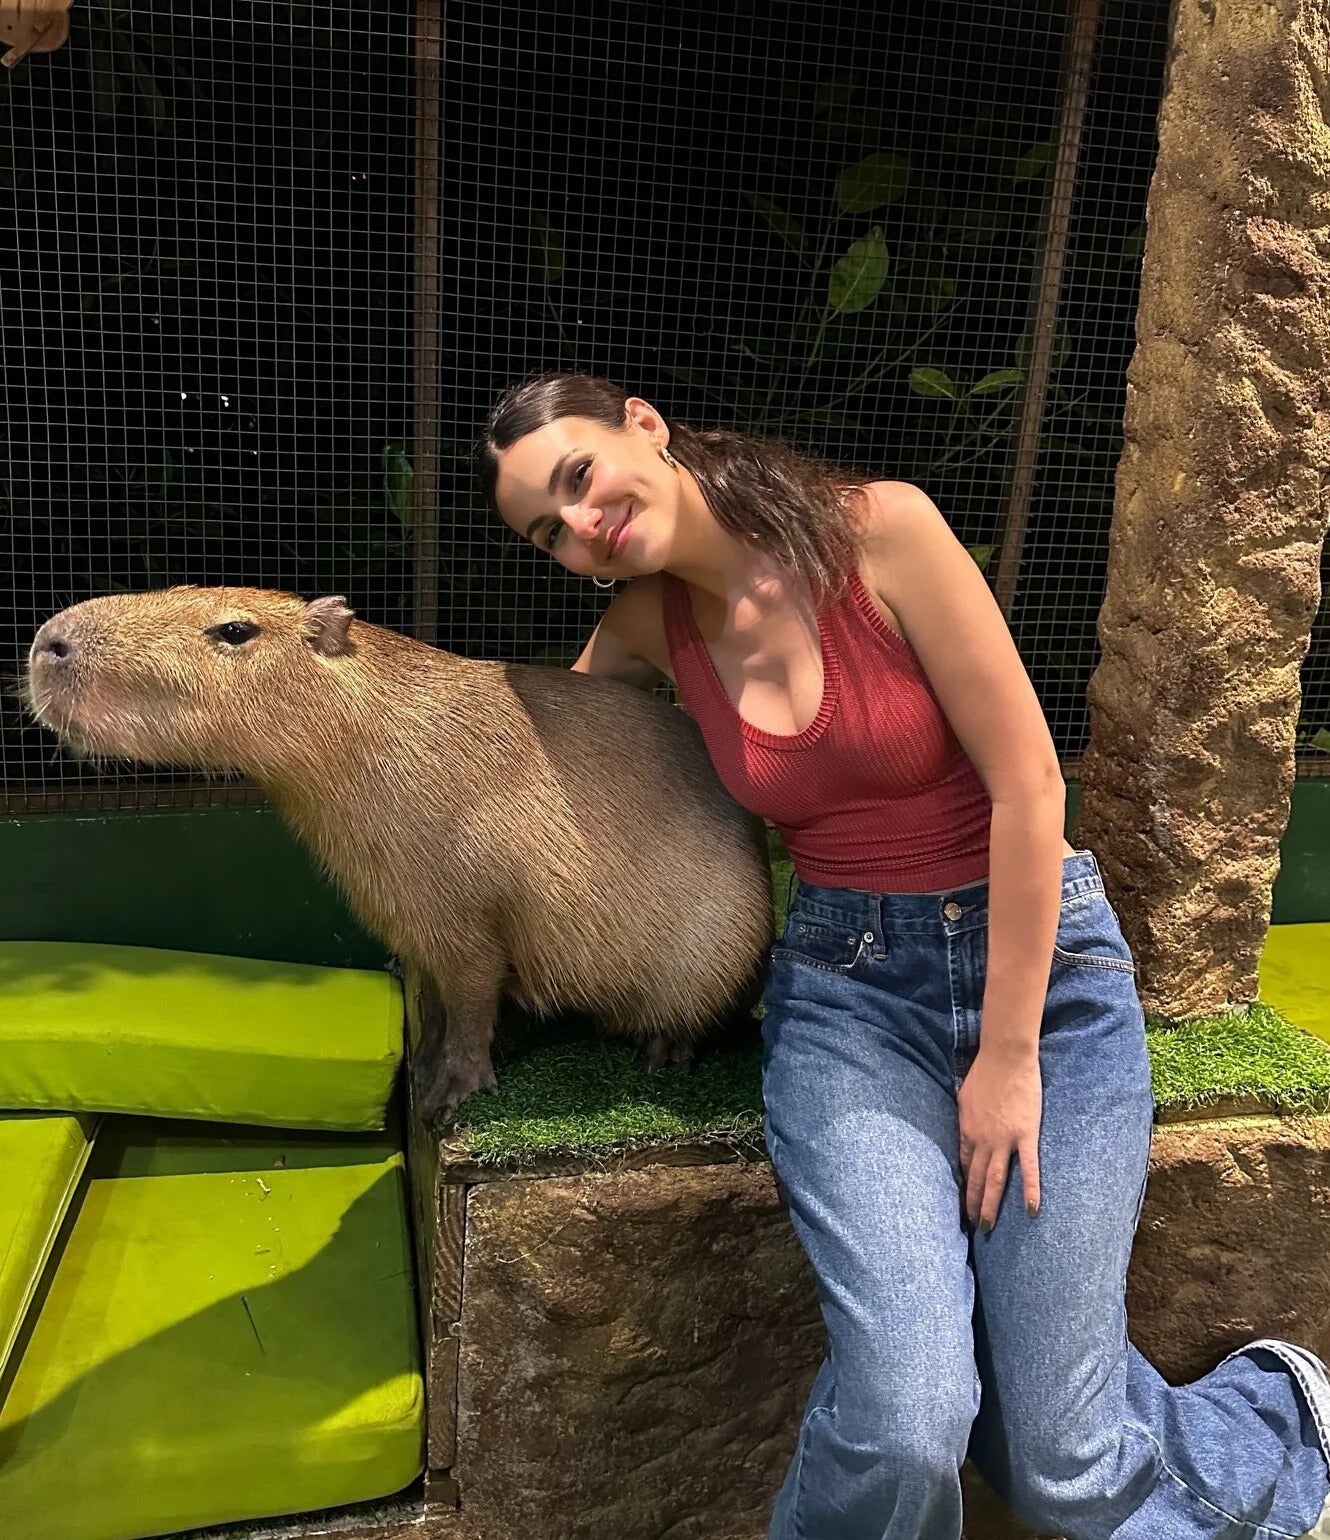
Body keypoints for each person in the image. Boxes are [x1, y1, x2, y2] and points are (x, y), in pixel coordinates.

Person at [477, 370, 1330, 1540]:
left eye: (578, 478)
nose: (581, 525)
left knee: (1061, 1463)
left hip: (1047, 985)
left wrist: (1008, 1056)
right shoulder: (639, 631)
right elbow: (543, 773)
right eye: (548, 531)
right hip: (848, 1002)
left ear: (644, 424)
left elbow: (1029, 784)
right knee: (911, 1418)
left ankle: (1275, 1410)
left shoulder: (881, 532)